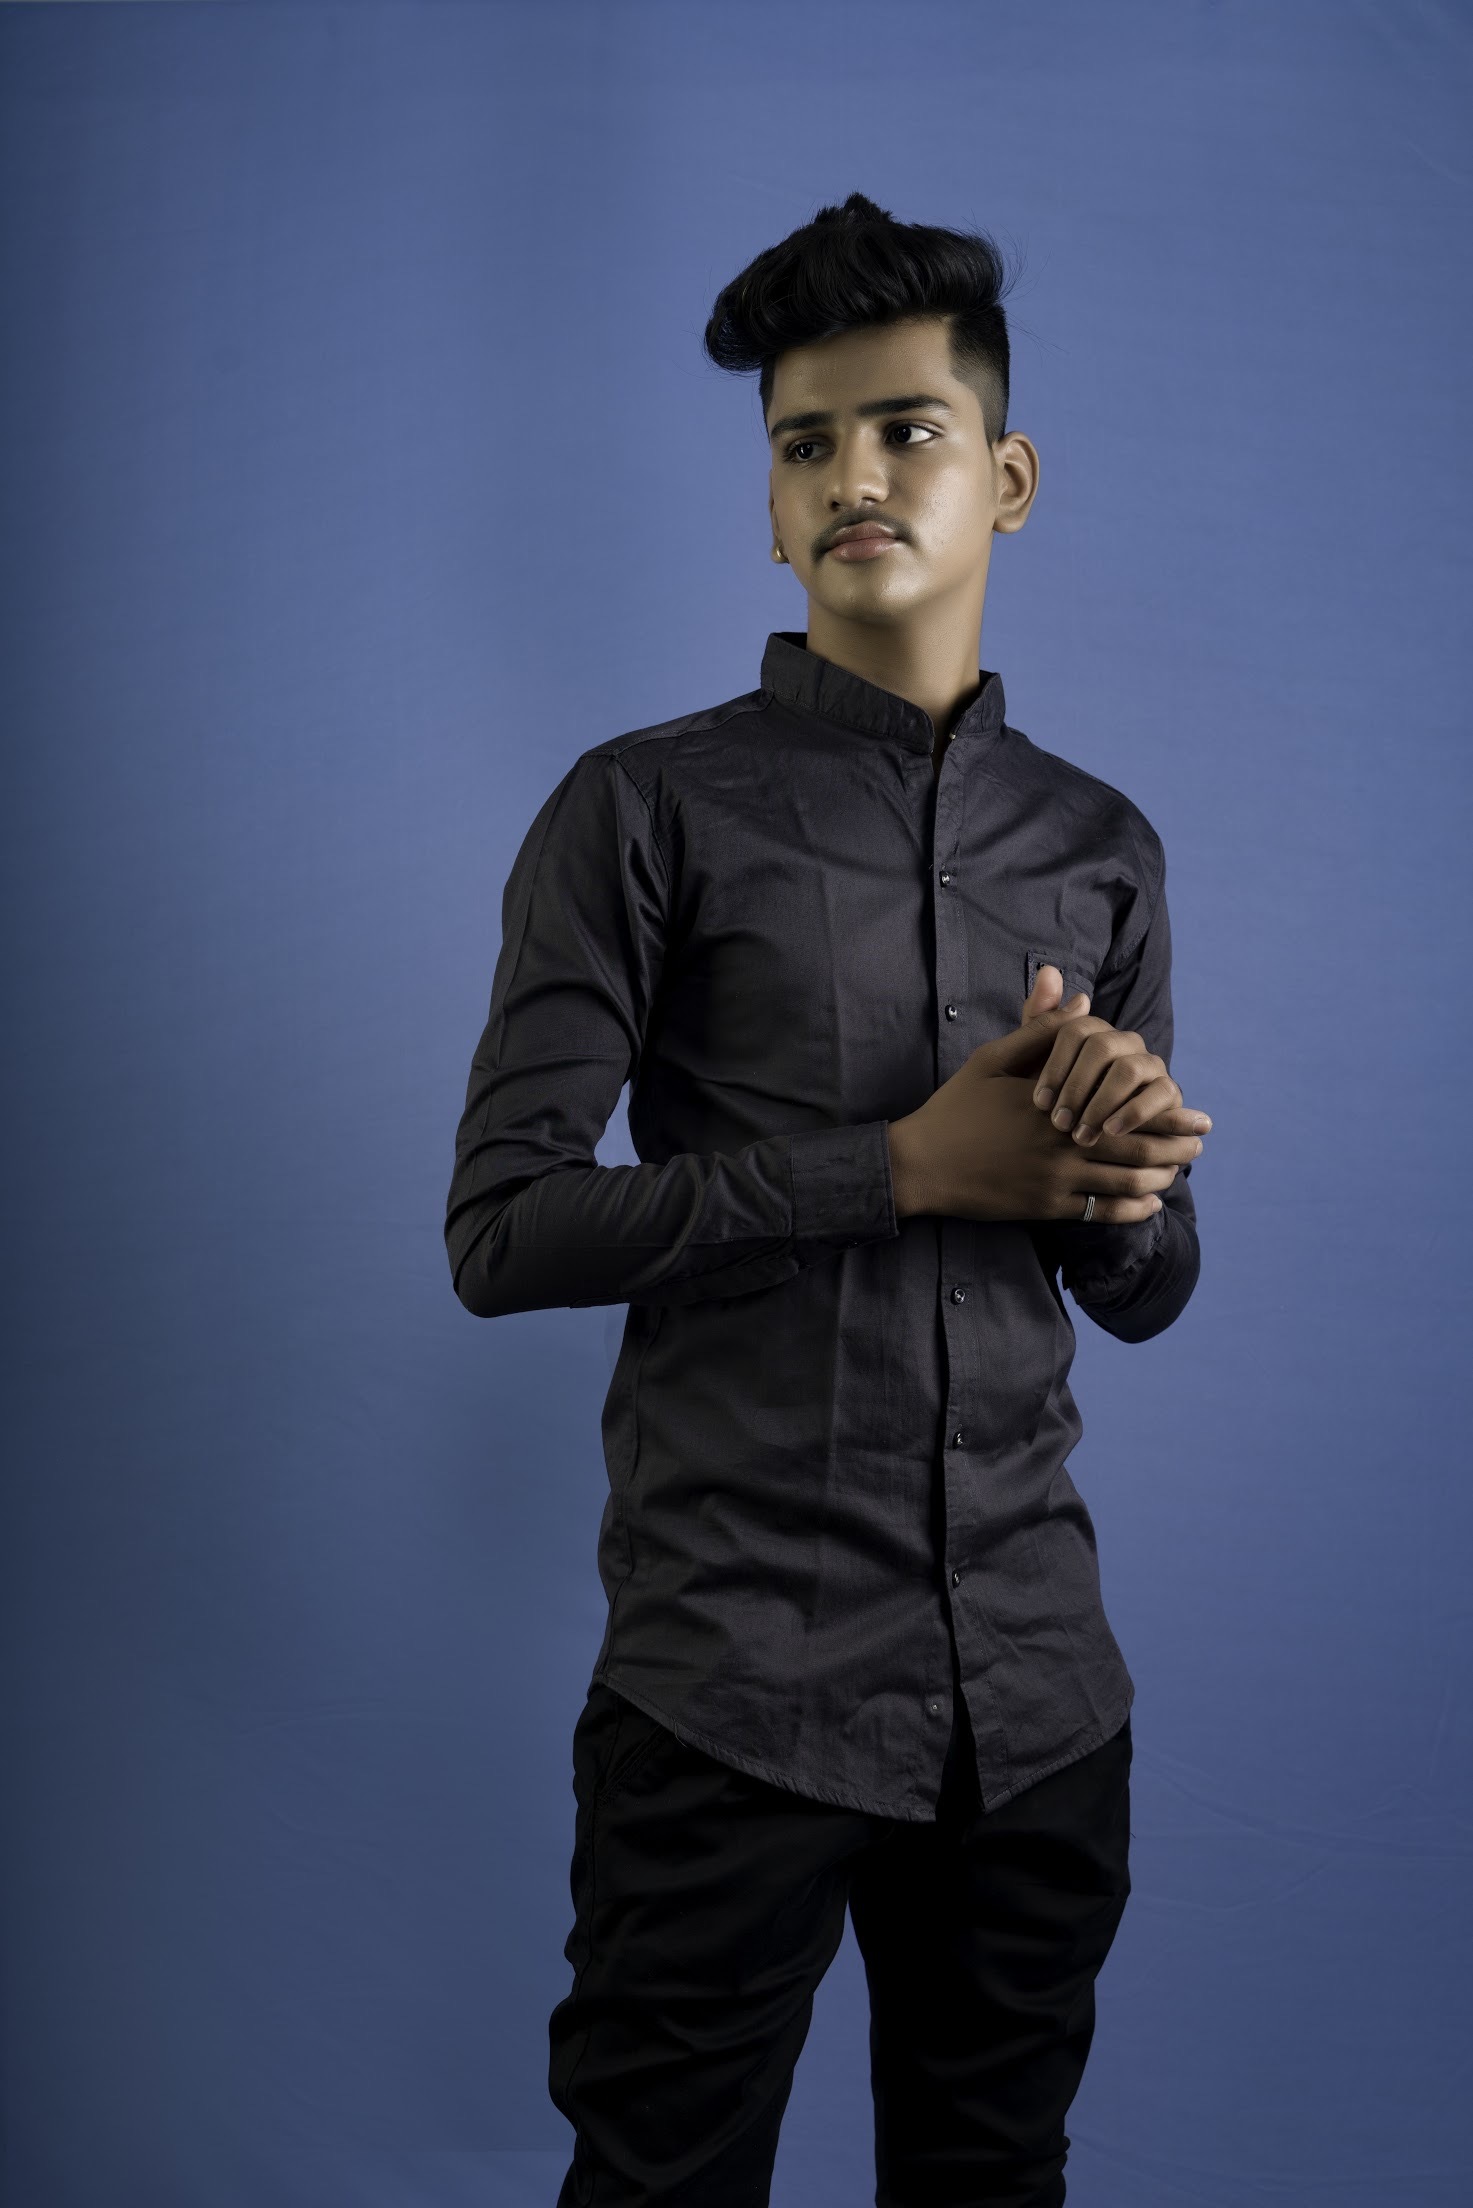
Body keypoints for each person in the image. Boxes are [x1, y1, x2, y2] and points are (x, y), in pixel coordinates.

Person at [444, 190, 1211, 2208]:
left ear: (1005, 477)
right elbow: (502, 1231)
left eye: (903, 430)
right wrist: (896, 1171)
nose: (853, 476)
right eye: (806, 444)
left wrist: (1117, 1174)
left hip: (1036, 1707)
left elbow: (1146, 1288)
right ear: (770, 508)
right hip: (731, 1695)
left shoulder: (1101, 848)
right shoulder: (642, 809)